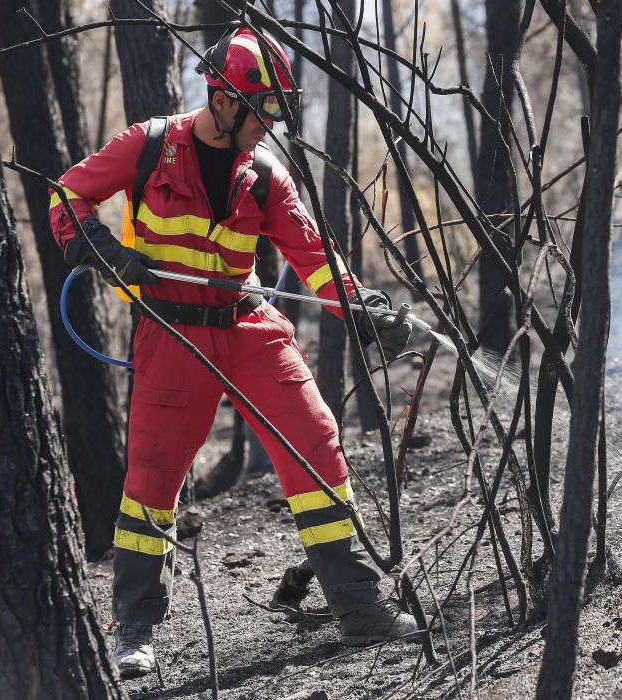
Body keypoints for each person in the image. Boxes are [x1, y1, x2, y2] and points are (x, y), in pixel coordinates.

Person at [49, 27, 417, 679]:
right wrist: (102, 252)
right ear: (222, 101)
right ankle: (133, 626)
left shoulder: (264, 176)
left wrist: (362, 309)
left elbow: (314, 258)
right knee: (153, 479)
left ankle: (361, 611)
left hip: (250, 327)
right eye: (262, 109)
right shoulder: (148, 146)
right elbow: (65, 196)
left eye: (278, 109)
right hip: (171, 334)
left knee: (316, 443)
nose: (270, 124)